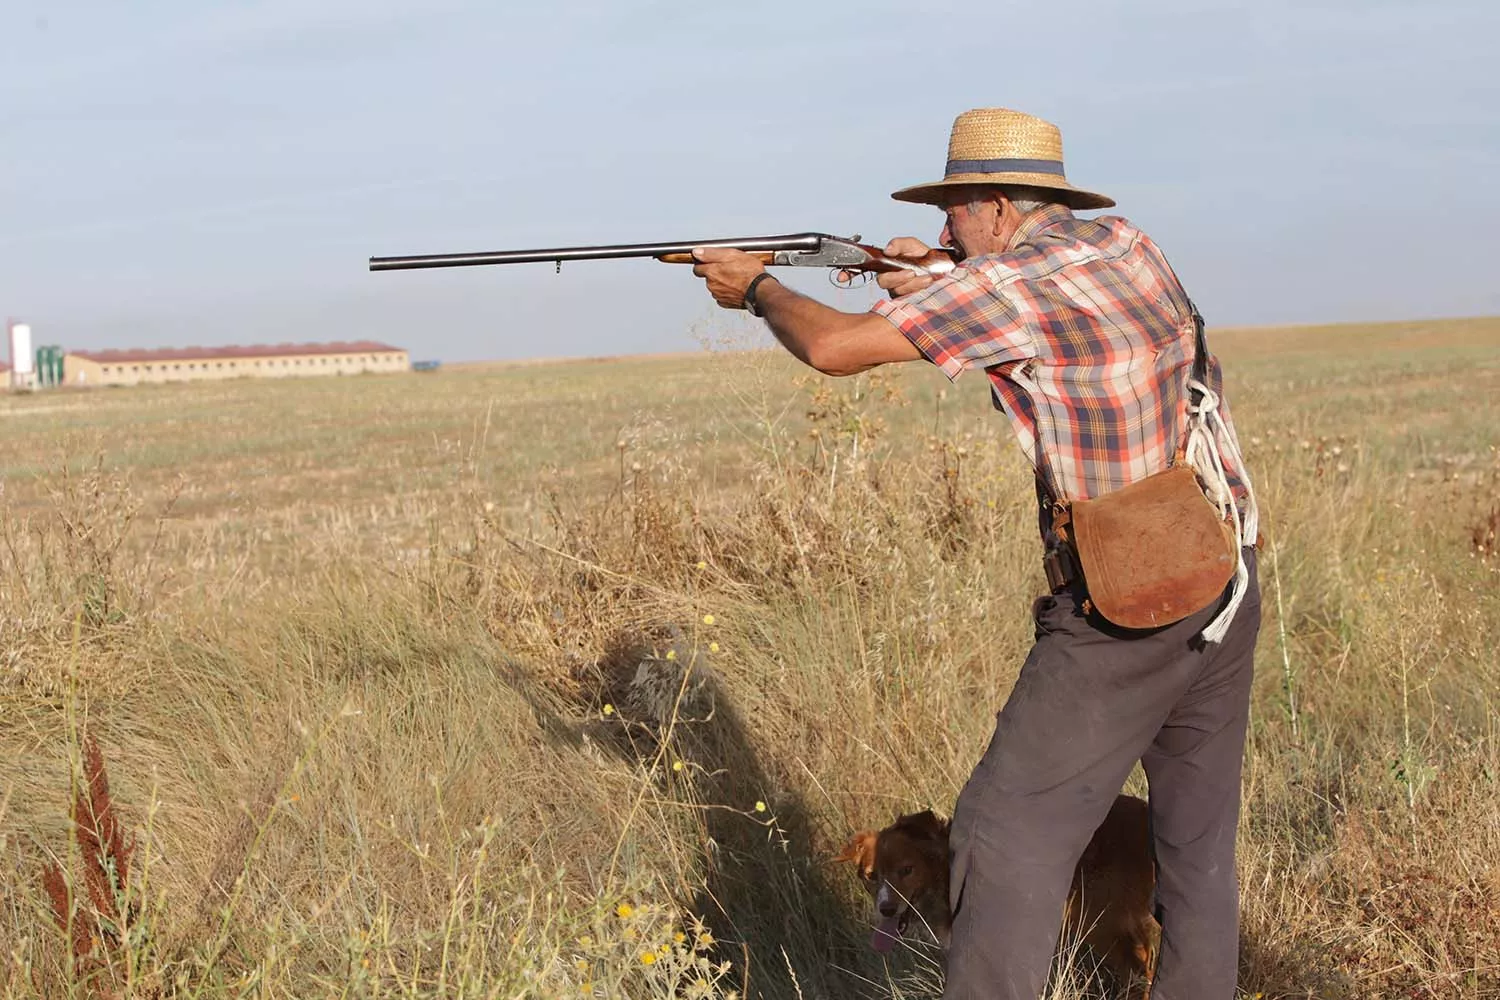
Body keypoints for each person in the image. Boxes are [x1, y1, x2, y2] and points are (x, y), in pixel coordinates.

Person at [689, 107, 1261, 1000]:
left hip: (1123, 603)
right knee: (1194, 849)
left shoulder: (1010, 288)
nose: (943, 227)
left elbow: (835, 347)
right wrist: (926, 272)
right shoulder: (1125, 244)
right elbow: (1035, 309)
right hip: (1221, 568)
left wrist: (757, 287)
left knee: (998, 835)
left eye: (955, 210)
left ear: (995, 204)